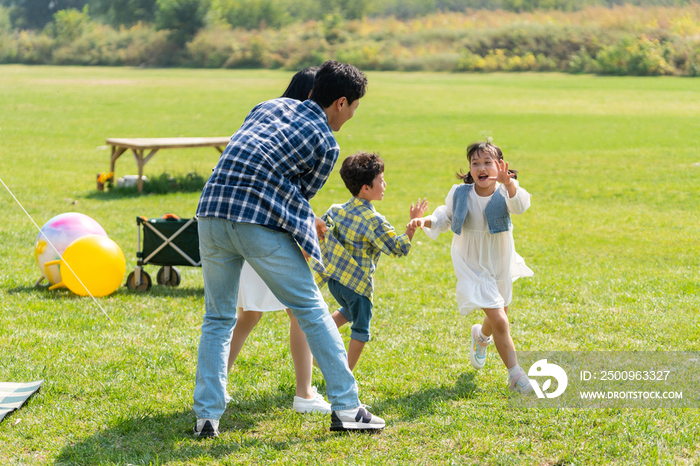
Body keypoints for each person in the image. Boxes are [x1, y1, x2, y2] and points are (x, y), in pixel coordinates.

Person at [193, 60, 385, 438]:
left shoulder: (268, 106)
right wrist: (308, 247)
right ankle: (347, 407)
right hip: (254, 223)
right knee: (311, 309)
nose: (351, 115)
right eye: (354, 107)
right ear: (341, 102)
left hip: (210, 214)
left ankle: (206, 418)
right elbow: (299, 198)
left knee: (217, 318)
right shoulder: (326, 142)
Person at [230, 66, 331, 415]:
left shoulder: (267, 123)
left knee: (248, 315)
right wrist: (305, 231)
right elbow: (289, 196)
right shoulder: (303, 134)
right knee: (300, 313)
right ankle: (304, 394)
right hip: (271, 236)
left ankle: (219, 385)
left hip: (242, 229)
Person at [408, 141, 534, 394]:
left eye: (488, 162)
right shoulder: (461, 193)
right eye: (475, 163)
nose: (481, 168)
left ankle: (481, 337)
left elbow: (520, 207)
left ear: (499, 166)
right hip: (471, 262)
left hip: (499, 260)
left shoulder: (506, 190)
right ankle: (516, 374)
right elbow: (445, 217)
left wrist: (510, 185)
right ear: (470, 169)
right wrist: (425, 220)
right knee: (500, 319)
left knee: (499, 316)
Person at [311, 152, 427, 370]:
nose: (385, 184)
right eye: (381, 181)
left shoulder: (335, 210)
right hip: (358, 285)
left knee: (347, 310)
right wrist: (411, 227)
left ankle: (317, 345)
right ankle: (344, 374)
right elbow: (397, 248)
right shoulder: (374, 221)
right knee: (361, 330)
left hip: (336, 282)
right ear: (366, 188)